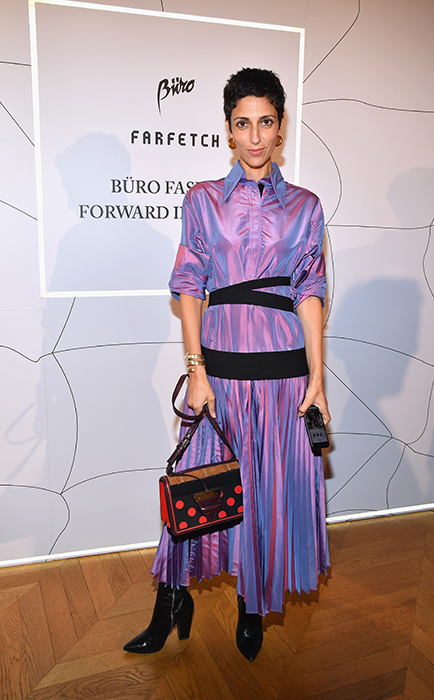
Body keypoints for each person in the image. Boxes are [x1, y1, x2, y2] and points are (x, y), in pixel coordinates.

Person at [124, 67, 330, 662]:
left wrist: (317, 378)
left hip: (284, 375)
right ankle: (170, 603)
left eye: (266, 122)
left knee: (263, 494)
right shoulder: (203, 200)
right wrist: (195, 369)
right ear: (228, 129)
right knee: (195, 489)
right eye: (244, 124)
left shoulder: (306, 207)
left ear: (281, 127)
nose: (255, 136)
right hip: (219, 373)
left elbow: (310, 293)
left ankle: (250, 605)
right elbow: (190, 285)